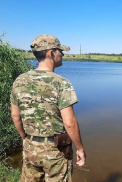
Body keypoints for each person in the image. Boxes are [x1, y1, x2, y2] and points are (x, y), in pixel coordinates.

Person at [10, 34, 86, 182]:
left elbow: (15, 116)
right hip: (55, 152)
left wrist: (24, 138)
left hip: (30, 147)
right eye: (60, 51)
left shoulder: (19, 80)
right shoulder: (61, 83)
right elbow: (69, 123)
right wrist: (80, 149)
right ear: (51, 53)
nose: (62, 54)